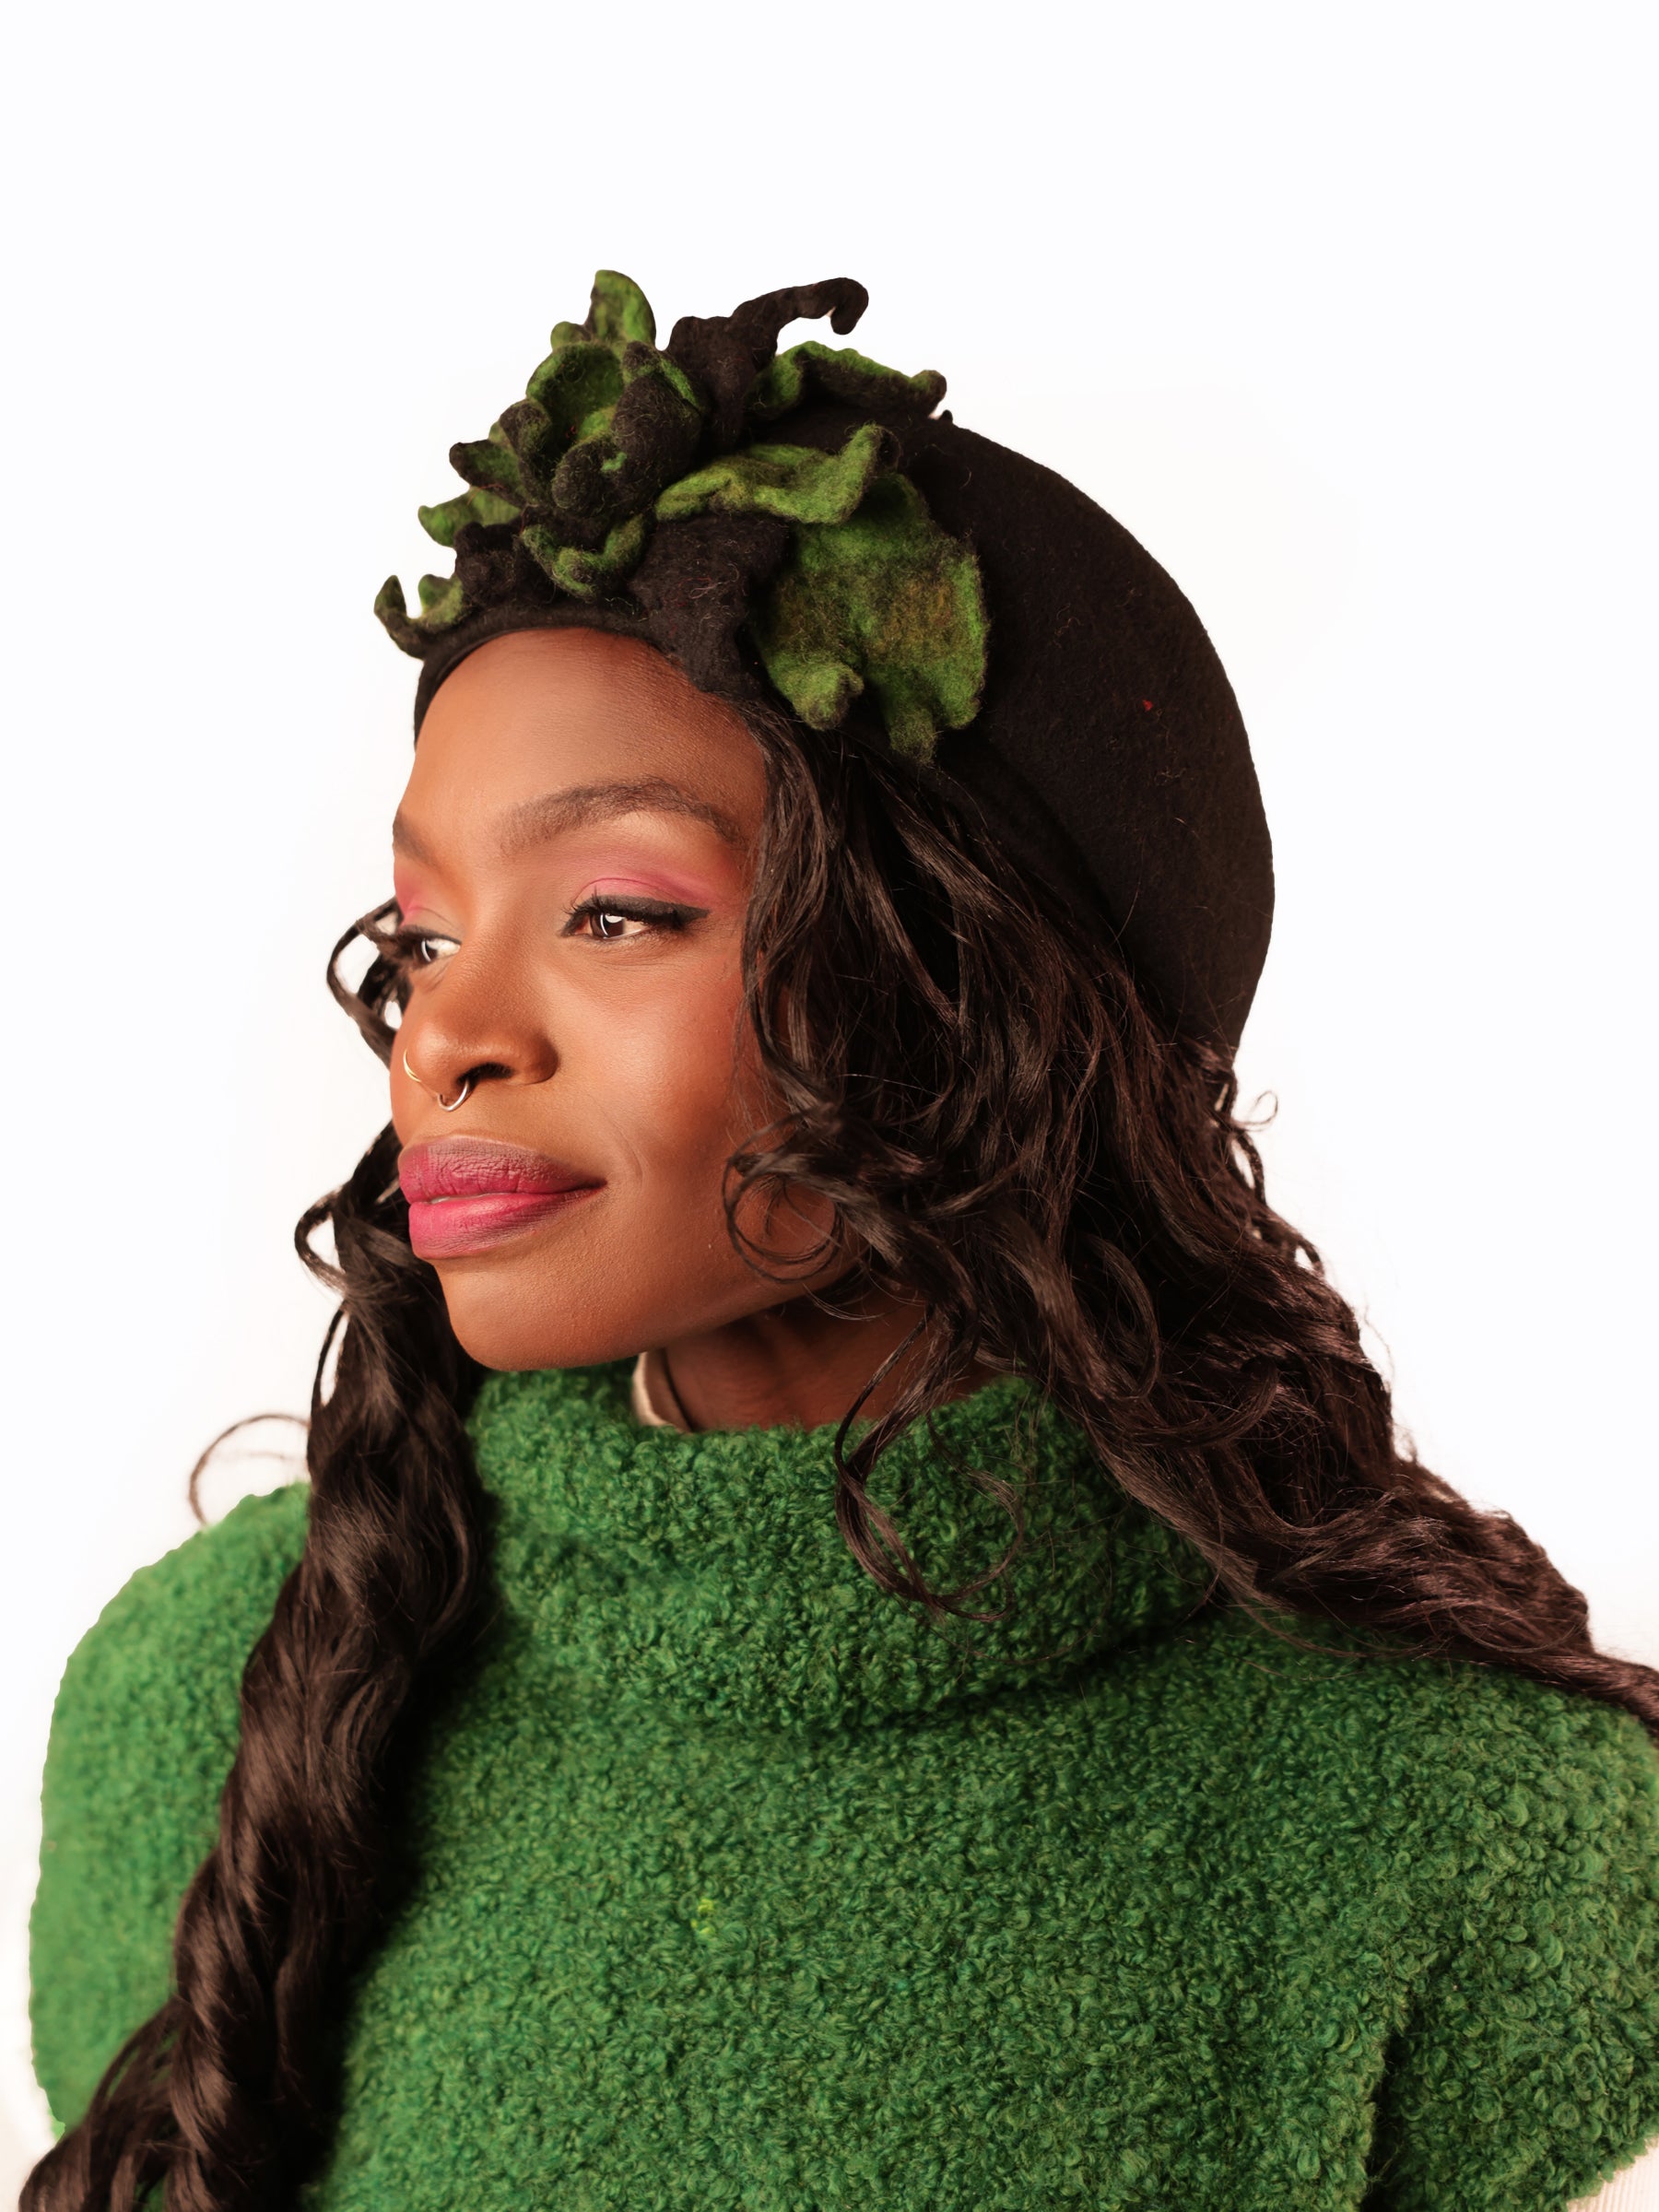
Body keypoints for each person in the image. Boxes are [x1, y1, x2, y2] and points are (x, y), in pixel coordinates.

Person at [24, 273, 1659, 2212]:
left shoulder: (1469, 1831)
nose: (450, 1031)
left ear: (977, 999)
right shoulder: (207, 1701)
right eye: (424, 936)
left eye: (618, 913)